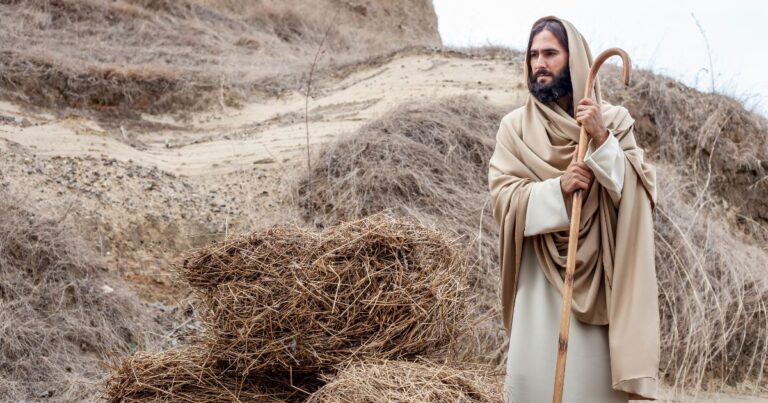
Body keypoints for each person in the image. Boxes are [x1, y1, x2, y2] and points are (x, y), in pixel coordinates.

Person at [488, 16, 660, 402]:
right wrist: (558, 190)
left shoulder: (614, 122)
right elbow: (503, 198)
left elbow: (639, 193)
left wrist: (601, 139)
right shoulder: (514, 129)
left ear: (575, 60)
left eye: (550, 53)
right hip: (538, 287)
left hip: (598, 284)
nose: (539, 64)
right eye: (533, 55)